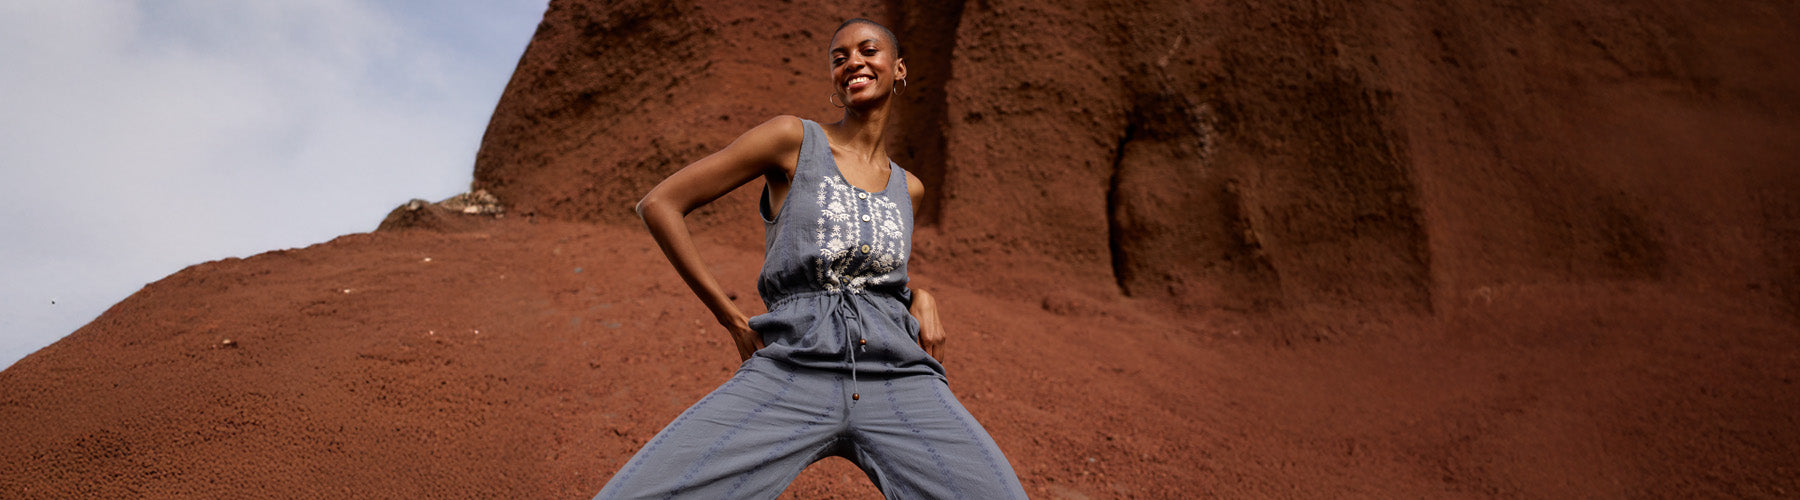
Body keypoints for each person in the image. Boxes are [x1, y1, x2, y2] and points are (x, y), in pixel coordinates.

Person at [592, 17, 1029, 500]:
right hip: (793, 366)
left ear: (899, 68)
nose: (853, 63)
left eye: (868, 51)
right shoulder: (793, 139)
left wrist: (921, 295)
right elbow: (660, 204)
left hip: (897, 374)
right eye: (839, 58)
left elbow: (877, 275)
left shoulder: (911, 189)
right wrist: (732, 319)